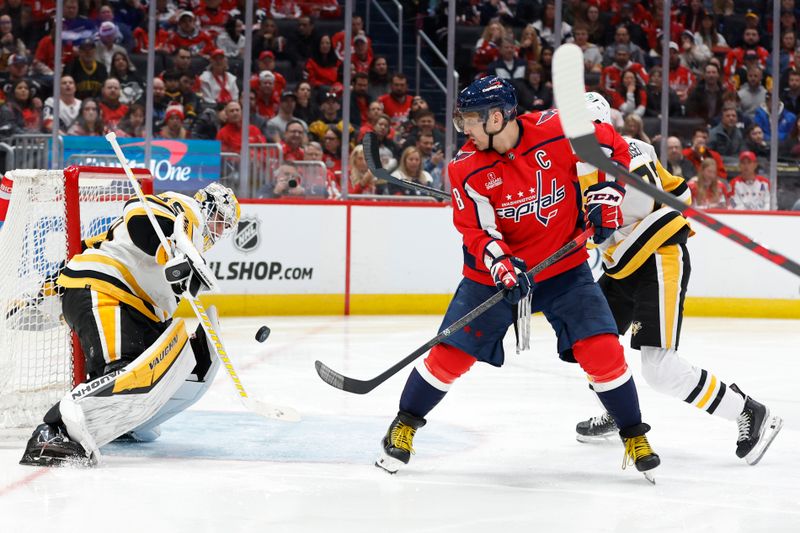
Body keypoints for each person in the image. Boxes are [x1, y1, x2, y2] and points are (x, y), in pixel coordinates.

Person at [376, 76, 661, 478]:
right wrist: (502, 265)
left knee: (602, 348)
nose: (465, 130)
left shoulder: (556, 129)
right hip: (493, 277)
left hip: (563, 269)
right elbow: (477, 231)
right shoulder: (466, 168)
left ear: (497, 116)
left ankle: (634, 435)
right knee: (451, 355)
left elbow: (612, 144)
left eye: (470, 120)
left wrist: (606, 195)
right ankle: (404, 425)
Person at [575, 93, 782, 465]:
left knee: (659, 368)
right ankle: (617, 408)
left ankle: (749, 410)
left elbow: (593, 219)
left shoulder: (581, 165)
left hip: (657, 258)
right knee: (590, 341)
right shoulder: (638, 146)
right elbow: (679, 189)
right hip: (623, 264)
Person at [19, 183, 241, 466]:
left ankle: (122, 422)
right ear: (208, 206)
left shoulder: (191, 246)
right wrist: (169, 246)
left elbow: (92, 244)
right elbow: (138, 213)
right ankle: (52, 434)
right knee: (123, 372)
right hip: (105, 290)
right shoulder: (186, 210)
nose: (220, 232)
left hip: (136, 309)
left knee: (165, 365)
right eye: (221, 221)